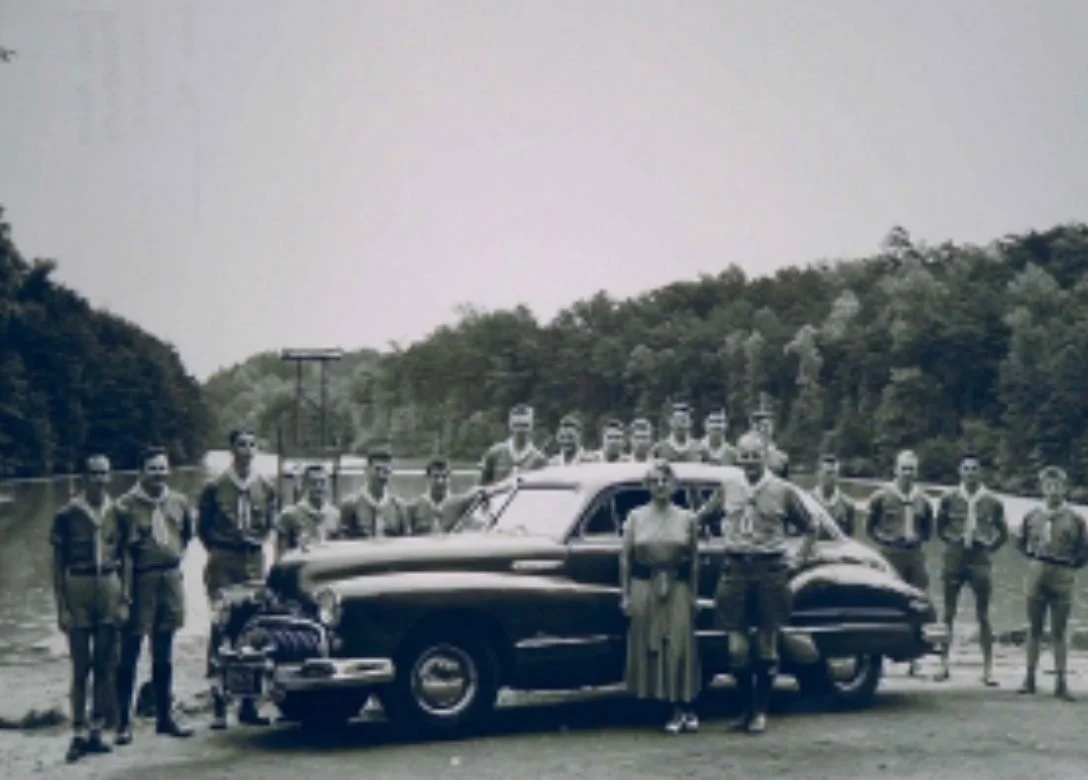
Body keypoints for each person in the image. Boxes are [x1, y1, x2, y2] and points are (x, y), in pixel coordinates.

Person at [715, 433, 816, 734]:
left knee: (766, 643)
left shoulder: (782, 490)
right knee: (736, 648)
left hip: (769, 569)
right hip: (735, 568)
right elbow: (703, 517)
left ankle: (760, 712)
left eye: (755, 455)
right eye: (744, 456)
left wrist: (797, 560)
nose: (749, 462)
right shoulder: (728, 487)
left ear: (766, 456)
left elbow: (810, 527)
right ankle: (745, 708)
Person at [51, 454, 130, 763]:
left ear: (110, 476)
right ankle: (78, 731)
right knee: (80, 665)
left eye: (104, 473)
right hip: (79, 584)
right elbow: (57, 565)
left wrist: (124, 599)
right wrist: (62, 607)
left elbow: (126, 559)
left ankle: (97, 728)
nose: (99, 479)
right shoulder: (67, 514)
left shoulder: (118, 512)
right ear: (83, 478)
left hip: (108, 583)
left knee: (104, 665)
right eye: (93, 473)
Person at [197, 427, 277, 730]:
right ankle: (219, 704)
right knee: (221, 630)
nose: (247, 450)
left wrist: (255, 545)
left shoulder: (265, 487)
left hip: (253, 561)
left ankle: (248, 705)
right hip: (224, 561)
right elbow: (202, 528)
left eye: (252, 445)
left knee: (251, 630)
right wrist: (221, 550)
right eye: (242, 445)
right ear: (232, 449)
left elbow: (269, 523)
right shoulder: (215, 487)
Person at [115, 446, 194, 744]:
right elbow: (119, 550)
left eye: (163, 468)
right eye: (152, 468)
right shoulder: (125, 506)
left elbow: (186, 535)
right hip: (139, 580)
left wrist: (172, 561)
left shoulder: (179, 502)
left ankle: (164, 717)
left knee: (164, 649)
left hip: (170, 578)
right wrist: (123, 594)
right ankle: (124, 722)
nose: (159, 474)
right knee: (130, 651)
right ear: (141, 471)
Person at [619, 460, 701, 734]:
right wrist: (625, 594)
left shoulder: (688, 518)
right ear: (647, 486)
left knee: (677, 644)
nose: (660, 486)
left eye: (665, 480)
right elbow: (625, 558)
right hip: (644, 585)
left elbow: (696, 560)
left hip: (677, 586)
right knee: (651, 645)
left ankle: (683, 705)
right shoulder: (635, 516)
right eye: (654, 481)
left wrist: (694, 596)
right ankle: (665, 706)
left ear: (674, 484)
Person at [934, 452, 1008, 685]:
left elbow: (1003, 532)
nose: (970, 473)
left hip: (979, 559)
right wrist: (953, 541)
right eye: (966, 468)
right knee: (948, 612)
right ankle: (942, 664)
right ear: (960, 472)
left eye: (974, 468)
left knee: (983, 615)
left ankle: (988, 669)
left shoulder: (993, 501)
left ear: (980, 472)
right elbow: (940, 528)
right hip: (955, 558)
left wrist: (988, 547)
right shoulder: (949, 498)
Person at [1016, 466, 1088, 701]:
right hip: (1037, 570)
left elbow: (1084, 550)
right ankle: (1029, 678)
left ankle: (1061, 681)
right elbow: (1020, 542)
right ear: (1042, 488)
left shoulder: (1075, 518)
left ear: (1064, 488)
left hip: (1062, 572)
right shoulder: (1032, 515)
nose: (1053, 490)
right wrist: (1034, 560)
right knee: (1034, 627)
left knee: (1059, 629)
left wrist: (1070, 567)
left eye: (1057, 485)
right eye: (1048, 485)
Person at [866, 449, 934, 676]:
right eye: (904, 468)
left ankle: (915, 659)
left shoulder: (923, 499)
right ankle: (880, 659)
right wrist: (884, 541)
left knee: (917, 603)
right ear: (895, 470)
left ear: (917, 472)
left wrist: (915, 541)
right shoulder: (880, 496)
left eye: (912, 469)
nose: (908, 473)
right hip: (890, 553)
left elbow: (927, 530)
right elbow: (869, 527)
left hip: (913, 554)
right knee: (885, 603)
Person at [339, 442, 408, 538]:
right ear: (367, 470)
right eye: (377, 469)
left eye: (386, 471)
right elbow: (343, 542)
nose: (381, 475)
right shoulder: (351, 505)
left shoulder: (398, 507)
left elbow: (406, 542)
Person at [276, 463, 341, 558]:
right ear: (304, 485)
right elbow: (282, 554)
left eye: (322, 483)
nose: (318, 488)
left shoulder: (335, 515)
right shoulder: (290, 515)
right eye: (313, 483)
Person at [407, 457, 484, 534]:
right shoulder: (415, 506)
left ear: (450, 478)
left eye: (444, 477)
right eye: (436, 477)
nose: (440, 481)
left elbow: (479, 525)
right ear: (427, 478)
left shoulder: (460, 503)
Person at [479, 404, 549, 485]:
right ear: (510, 425)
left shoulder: (539, 459)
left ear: (532, 426)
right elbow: (481, 486)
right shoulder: (495, 453)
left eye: (525, 425)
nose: (520, 430)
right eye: (516, 425)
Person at [810, 454, 857, 536]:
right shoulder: (806, 500)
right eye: (828, 473)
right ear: (818, 473)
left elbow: (850, 536)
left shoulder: (848, 504)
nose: (832, 477)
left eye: (835, 473)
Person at [748, 408, 789, 478]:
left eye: (768, 425)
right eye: (763, 425)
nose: (766, 429)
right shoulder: (748, 443)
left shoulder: (781, 457)